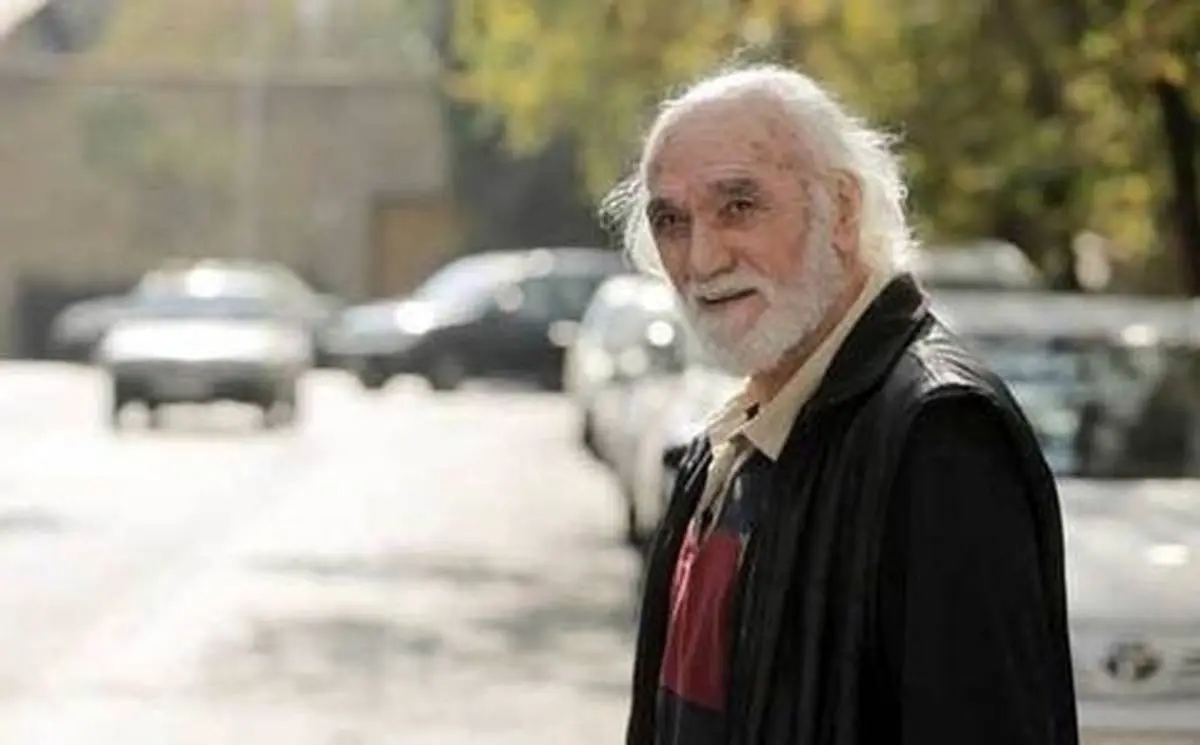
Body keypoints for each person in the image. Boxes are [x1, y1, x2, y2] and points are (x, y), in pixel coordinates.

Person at [606, 64, 1080, 745]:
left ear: (843, 210)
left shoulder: (937, 432)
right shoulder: (732, 440)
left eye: (738, 206)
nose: (701, 259)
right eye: (671, 220)